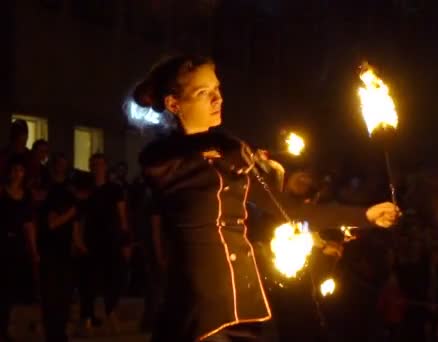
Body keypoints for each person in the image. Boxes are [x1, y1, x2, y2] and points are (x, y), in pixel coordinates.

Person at [134, 54, 401, 342]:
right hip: (199, 306)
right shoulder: (164, 158)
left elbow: (289, 209)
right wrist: (224, 146)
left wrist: (365, 215)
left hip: (243, 303)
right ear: (174, 104)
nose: (217, 99)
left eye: (217, 89)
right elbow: (163, 160)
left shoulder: (229, 156)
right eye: (203, 93)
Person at [78, 153, 131, 334]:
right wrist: (79, 241)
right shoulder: (87, 191)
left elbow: (122, 215)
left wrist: (125, 240)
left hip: (111, 240)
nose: (98, 168)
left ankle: (110, 310)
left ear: (105, 167)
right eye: (94, 164)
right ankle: (87, 317)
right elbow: (80, 217)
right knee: (89, 282)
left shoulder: (115, 190)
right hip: (92, 240)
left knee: (115, 278)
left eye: (100, 164)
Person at [38, 153, 82, 342]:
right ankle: (52, 332)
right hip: (49, 248)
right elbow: (51, 223)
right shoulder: (49, 190)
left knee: (64, 292)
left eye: (64, 164)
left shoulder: (69, 191)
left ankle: (60, 331)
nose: (61, 168)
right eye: (59, 164)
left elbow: (75, 223)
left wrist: (77, 241)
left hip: (65, 249)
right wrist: (70, 213)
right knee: (51, 293)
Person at [0, 156, 38, 342]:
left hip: (17, 245)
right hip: (2, 243)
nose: (17, 174)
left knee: (10, 288)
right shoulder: (2, 192)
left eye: (20, 171)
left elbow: (28, 224)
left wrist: (33, 250)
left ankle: (5, 327)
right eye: (14, 170)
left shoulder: (26, 196)